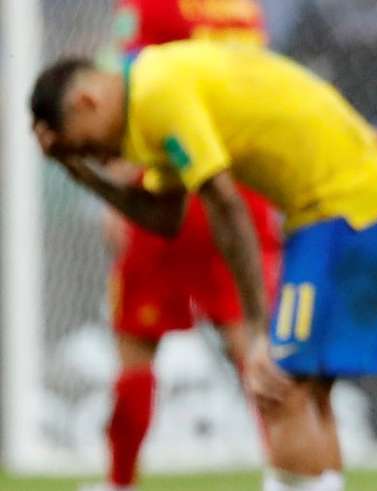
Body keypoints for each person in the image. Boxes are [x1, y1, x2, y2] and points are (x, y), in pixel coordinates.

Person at [30, 40, 377, 491]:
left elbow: (226, 204)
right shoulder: (149, 95)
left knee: (278, 385)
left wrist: (254, 329)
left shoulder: (157, 94)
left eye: (88, 146)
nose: (101, 158)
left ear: (86, 101)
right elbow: (164, 217)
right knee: (305, 392)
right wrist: (81, 175)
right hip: (359, 204)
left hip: (342, 210)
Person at [81, 2, 281, 490]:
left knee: (136, 346)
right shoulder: (243, 8)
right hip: (240, 185)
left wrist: (118, 192)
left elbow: (126, 90)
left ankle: (119, 482)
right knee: (251, 341)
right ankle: (289, 475)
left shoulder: (151, 3)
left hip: (167, 184)